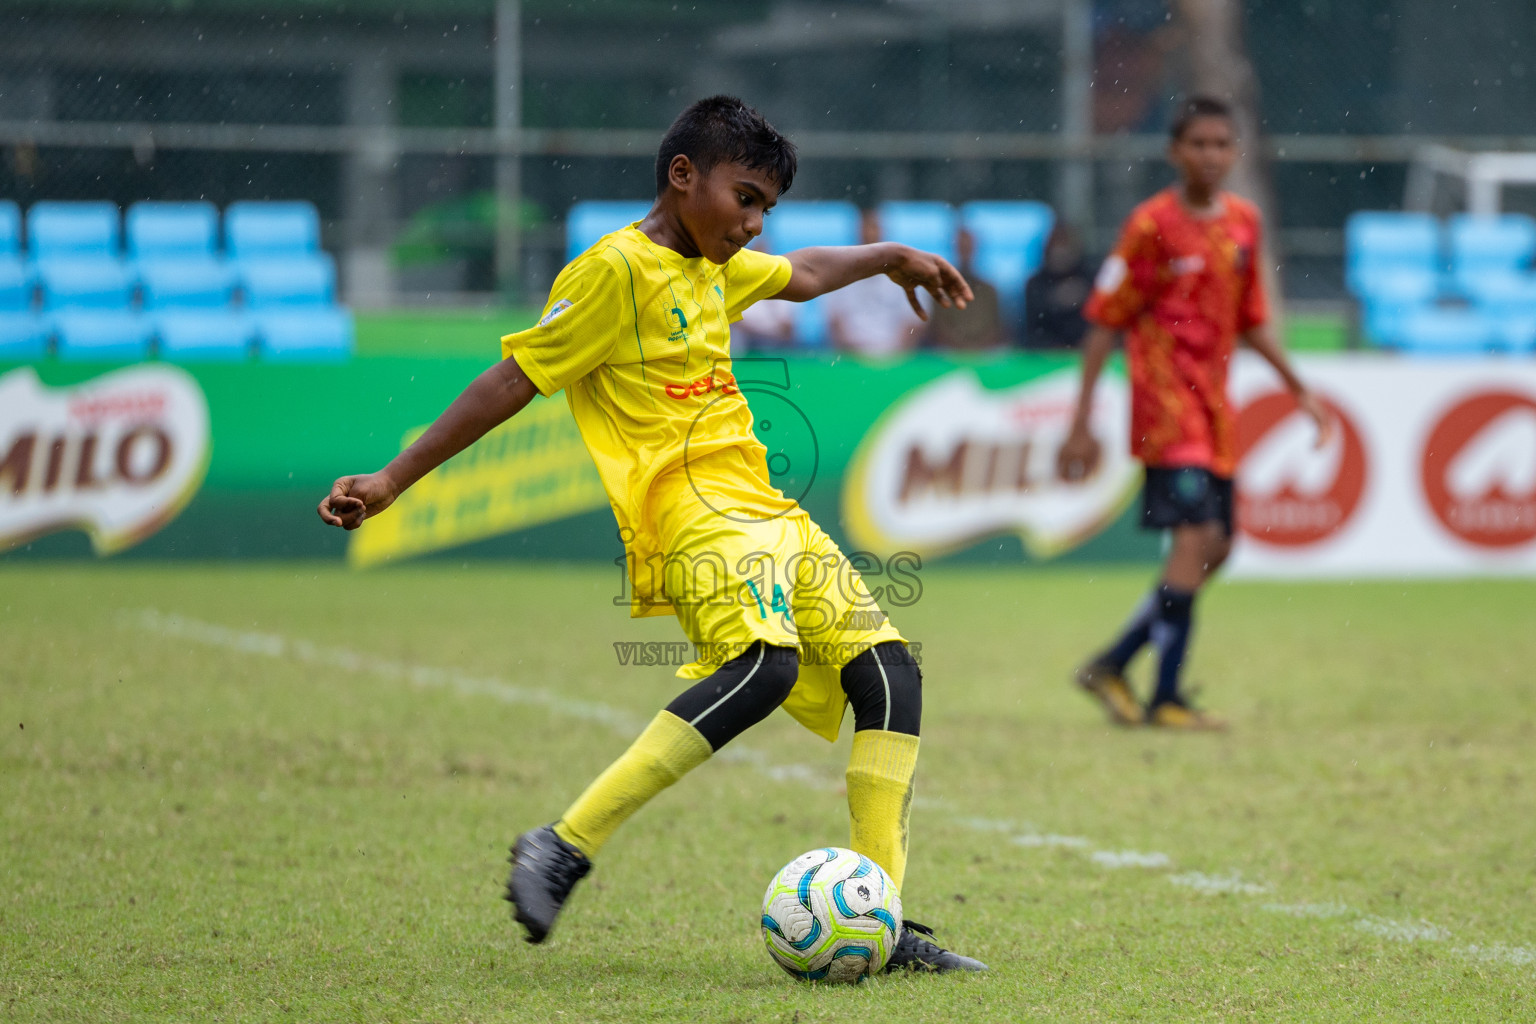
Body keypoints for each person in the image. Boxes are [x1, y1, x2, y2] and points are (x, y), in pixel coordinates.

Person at [317, 96, 986, 972]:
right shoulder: (613, 272)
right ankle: (561, 844)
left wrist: (892, 255)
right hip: (691, 513)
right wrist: (392, 479)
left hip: (765, 509)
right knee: (763, 665)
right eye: (744, 197)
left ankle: (885, 922)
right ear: (682, 176)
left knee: (892, 679)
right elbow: (514, 379)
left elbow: (809, 273)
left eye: (765, 210)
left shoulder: (714, 266)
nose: (752, 224)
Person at [1056, 95, 1331, 731]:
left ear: (1235, 152)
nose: (1210, 154)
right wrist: (1080, 423)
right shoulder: (1150, 226)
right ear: (1175, 152)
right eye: (1198, 143)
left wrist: (1300, 388)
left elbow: (1251, 319)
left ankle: (1114, 663)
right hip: (1166, 411)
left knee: (1220, 547)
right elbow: (1103, 324)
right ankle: (1166, 699)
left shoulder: (1243, 223)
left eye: (1221, 144)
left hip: (1216, 414)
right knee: (1195, 540)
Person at [825, 208, 926, 357]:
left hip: (895, 359)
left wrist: (894, 357)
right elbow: (834, 322)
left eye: (874, 229)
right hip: (852, 359)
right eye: (866, 231)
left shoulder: (907, 276)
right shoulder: (838, 274)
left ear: (883, 233)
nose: (869, 235)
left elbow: (914, 324)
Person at [924, 227, 1004, 351]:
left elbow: (997, 327)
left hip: (984, 354)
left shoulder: (989, 290)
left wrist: (976, 348)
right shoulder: (941, 289)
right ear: (954, 249)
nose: (965, 252)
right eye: (962, 247)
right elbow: (938, 328)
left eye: (968, 247)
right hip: (949, 354)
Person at [1021, 223, 1092, 350]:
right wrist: (1055, 300)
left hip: (1084, 349)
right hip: (1048, 354)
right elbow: (1032, 327)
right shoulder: (1035, 284)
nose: (1060, 251)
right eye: (1056, 244)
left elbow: (1103, 322)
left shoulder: (1090, 280)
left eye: (1065, 244)